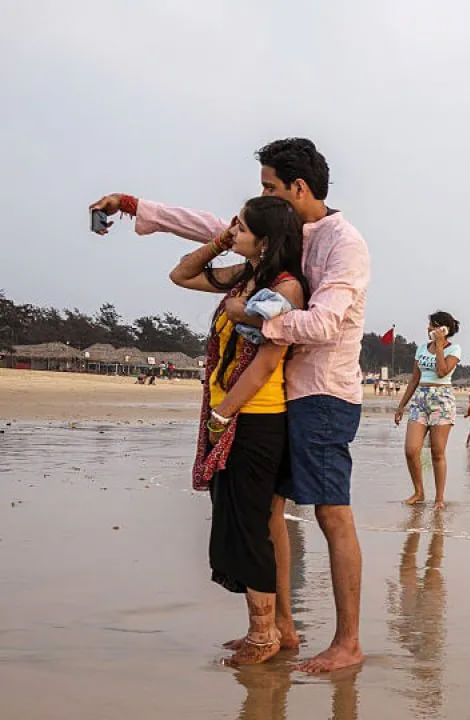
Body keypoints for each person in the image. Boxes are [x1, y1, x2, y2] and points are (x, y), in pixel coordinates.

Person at [90, 137, 371, 673]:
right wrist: (133, 206)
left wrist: (255, 318)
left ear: (299, 188)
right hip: (286, 394)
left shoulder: (344, 243)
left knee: (332, 513)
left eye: (269, 188)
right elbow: (208, 225)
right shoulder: (283, 234)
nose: (261, 196)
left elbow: (326, 322)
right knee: (270, 512)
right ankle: (282, 627)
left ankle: (348, 642)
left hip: (324, 394)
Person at [166, 196, 308, 665]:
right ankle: (263, 630)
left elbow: (267, 360)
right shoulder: (247, 279)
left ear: (265, 241)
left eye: (242, 227)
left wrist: (223, 413)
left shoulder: (285, 290)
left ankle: (264, 635)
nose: (233, 230)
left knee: (249, 526)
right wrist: (219, 241)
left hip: (256, 418)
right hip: (234, 414)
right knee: (238, 521)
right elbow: (181, 275)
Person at [395, 312, 461, 509]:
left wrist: (440, 346)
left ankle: (439, 498)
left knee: (437, 452)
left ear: (443, 329)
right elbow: (414, 379)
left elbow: (442, 371)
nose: (428, 328)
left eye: (432, 325)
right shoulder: (421, 349)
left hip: (442, 400)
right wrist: (401, 406)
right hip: (420, 399)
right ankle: (419, 491)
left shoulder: (454, 349)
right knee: (411, 449)